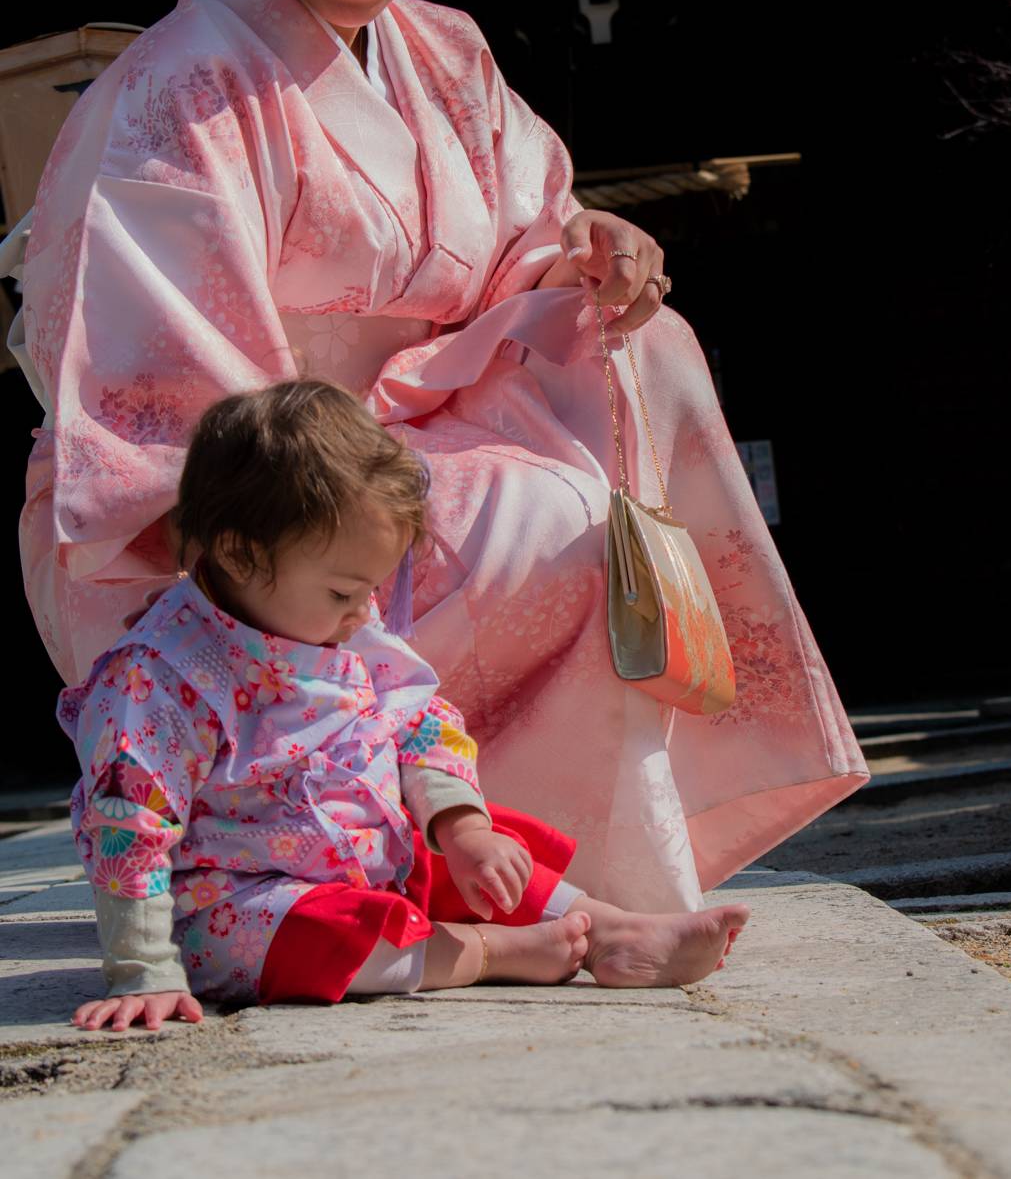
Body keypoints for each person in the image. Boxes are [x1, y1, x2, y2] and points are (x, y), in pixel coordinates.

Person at [20, 0, 866, 915]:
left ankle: (565, 858)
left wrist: (595, 253)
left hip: (406, 448)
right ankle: (495, 868)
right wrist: (351, 480)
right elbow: (165, 404)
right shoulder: (180, 91)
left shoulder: (449, 53)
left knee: (649, 349)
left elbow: (528, 247)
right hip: (237, 514)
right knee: (552, 512)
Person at [63, 380, 750, 1030]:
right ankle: (489, 956)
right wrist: (144, 969)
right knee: (320, 939)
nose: (362, 609)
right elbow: (128, 823)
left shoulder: (343, 627)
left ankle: (611, 929)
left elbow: (418, 718)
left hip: (373, 859)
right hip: (245, 904)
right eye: (341, 591)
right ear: (240, 555)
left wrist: (460, 825)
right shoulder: (159, 676)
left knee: (486, 853)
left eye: (371, 589)